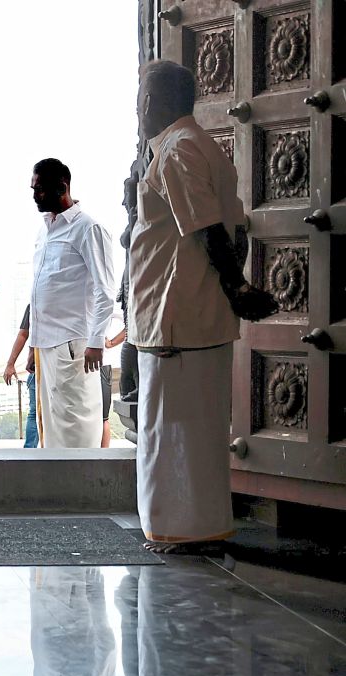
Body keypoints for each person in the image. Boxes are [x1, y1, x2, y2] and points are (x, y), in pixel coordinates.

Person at [129, 60, 277, 553]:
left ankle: (182, 531)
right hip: (194, 310)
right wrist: (232, 287)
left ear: (151, 102)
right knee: (197, 428)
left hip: (178, 314)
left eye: (140, 96)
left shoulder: (176, 150)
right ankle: (198, 526)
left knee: (172, 427)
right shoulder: (200, 145)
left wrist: (235, 289)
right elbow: (233, 231)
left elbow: (207, 228)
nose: (139, 106)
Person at [29, 158, 117, 448]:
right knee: (51, 425)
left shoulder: (87, 228)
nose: (34, 195)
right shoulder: (45, 230)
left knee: (76, 422)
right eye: (33, 188)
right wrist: (33, 345)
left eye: (40, 189)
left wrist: (95, 343)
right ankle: (57, 490)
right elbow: (39, 292)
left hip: (75, 345)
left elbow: (105, 290)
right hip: (46, 345)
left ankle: (83, 489)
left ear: (62, 186)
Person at [3, 305, 39, 448]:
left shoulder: (35, 302)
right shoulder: (34, 304)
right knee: (35, 412)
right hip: (40, 368)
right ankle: (30, 451)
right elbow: (23, 334)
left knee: (35, 413)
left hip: (44, 366)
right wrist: (10, 363)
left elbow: (24, 334)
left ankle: (31, 451)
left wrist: (11, 363)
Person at [100, 316, 127, 447]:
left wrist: (111, 343)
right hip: (76, 362)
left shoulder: (104, 298)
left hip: (101, 364)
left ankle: (103, 457)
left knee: (103, 417)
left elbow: (129, 322)